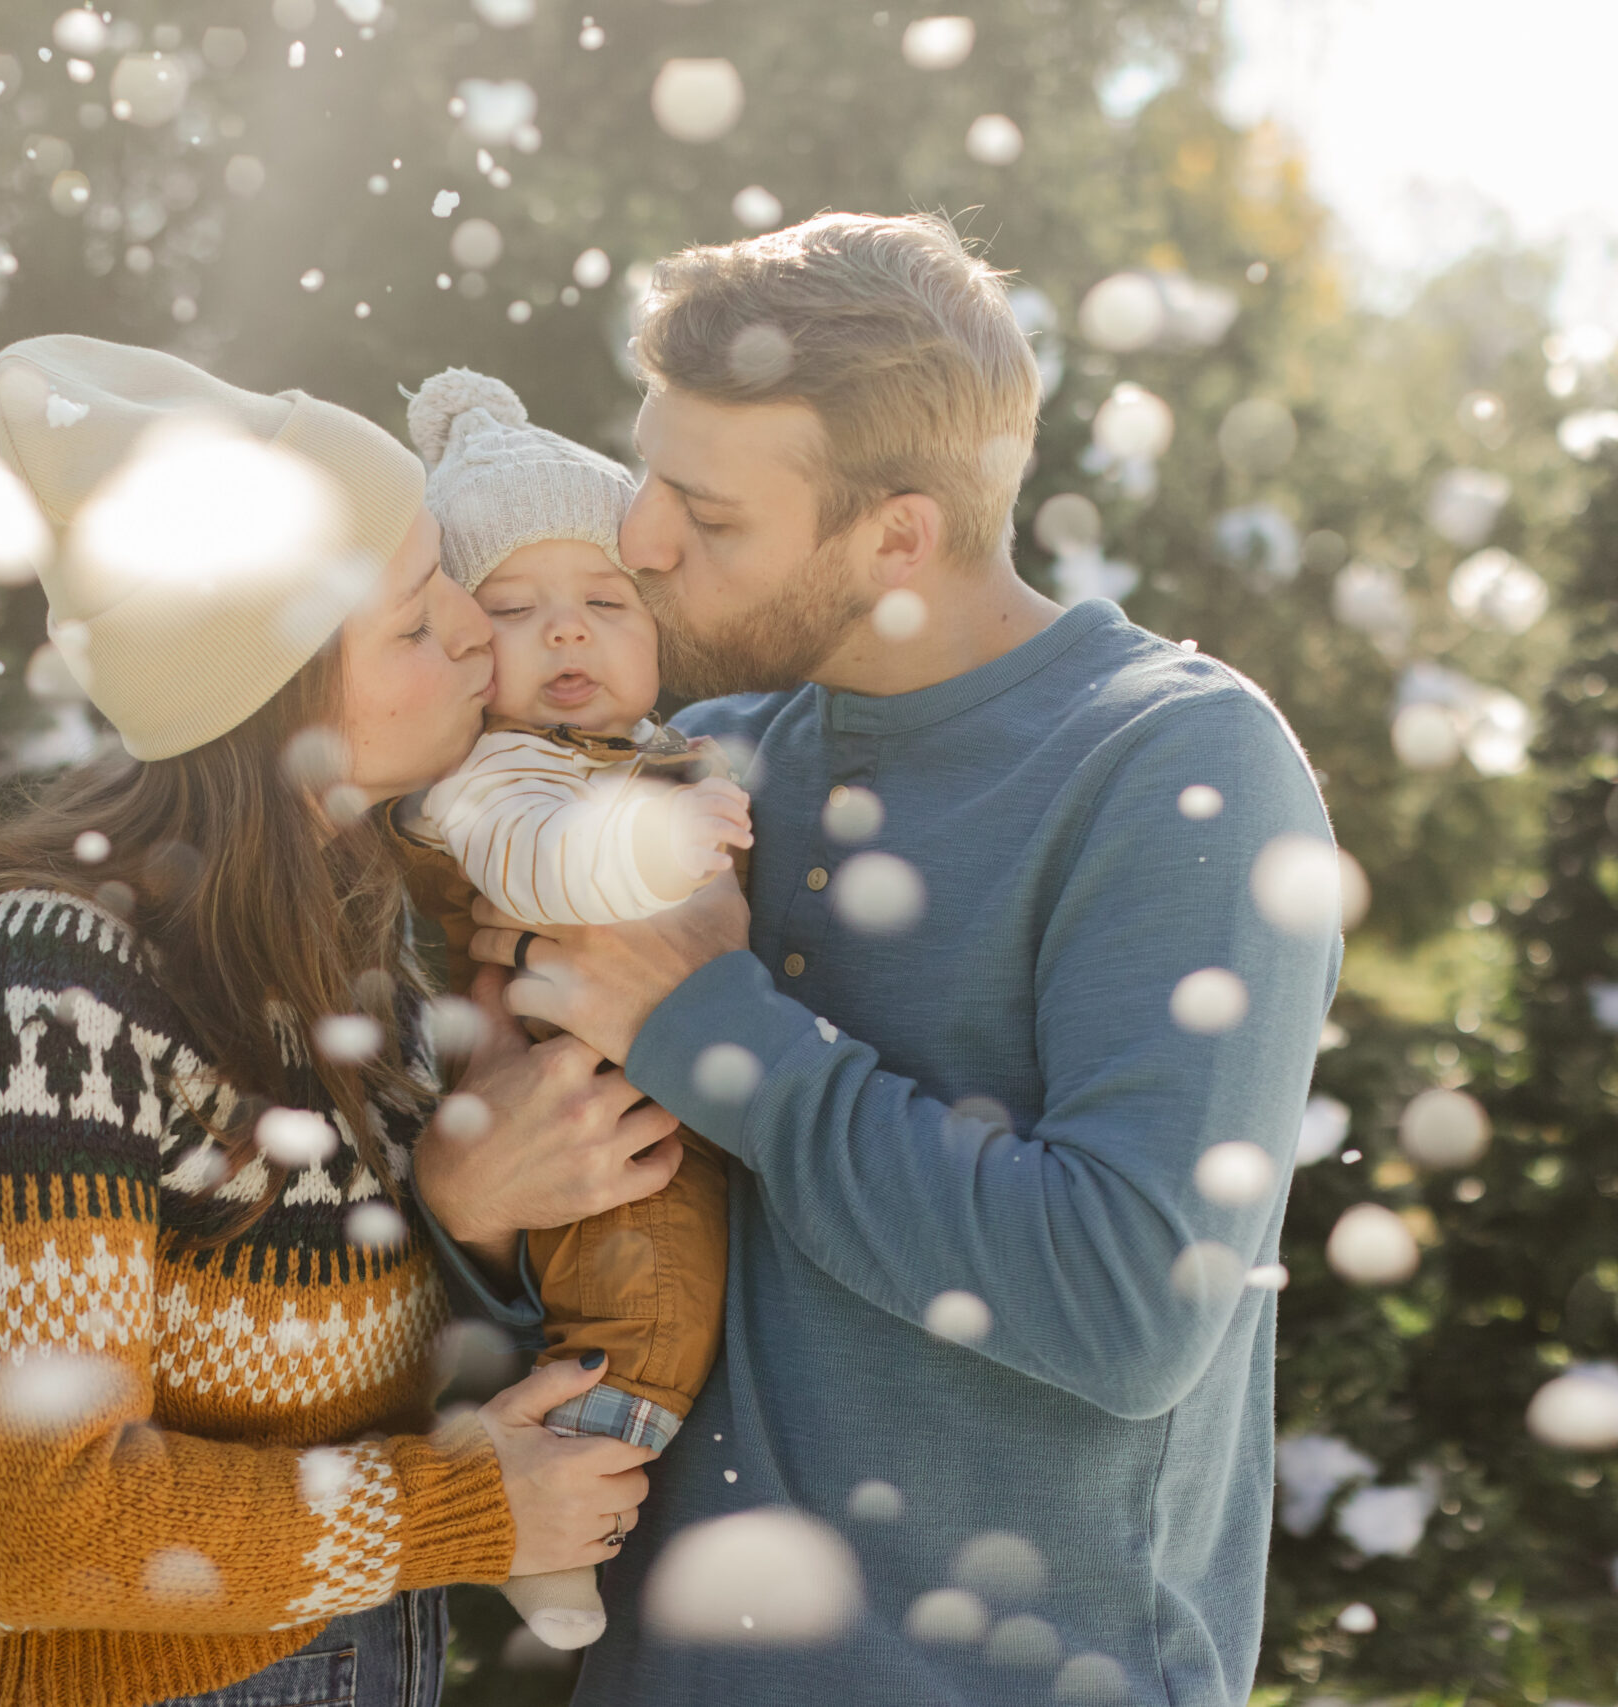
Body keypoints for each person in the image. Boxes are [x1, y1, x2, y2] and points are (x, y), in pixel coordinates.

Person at [437, 213, 1346, 1704]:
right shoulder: (692, 766)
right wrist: (468, 1211)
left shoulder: (1180, 767)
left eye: (710, 516)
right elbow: (601, 1283)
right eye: (648, 474)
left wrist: (713, 1026)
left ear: (899, 536)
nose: (642, 539)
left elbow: (1128, 1305)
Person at [0, 335, 682, 1707]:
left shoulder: (348, 928)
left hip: (354, 1653)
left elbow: (326, 1359)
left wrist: (466, 1205)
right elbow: (34, 1528)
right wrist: (460, 1511)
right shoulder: (34, 985)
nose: (480, 632)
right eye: (418, 621)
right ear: (272, 695)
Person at [387, 368, 745, 1649]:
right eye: (517, 611)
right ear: (466, 648)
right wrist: (657, 845)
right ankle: (567, 1507)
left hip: (629, 1076)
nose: (570, 635)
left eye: (603, 602)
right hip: (580, 1101)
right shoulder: (484, 773)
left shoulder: (655, 744)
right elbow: (542, 862)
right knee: (650, 1294)